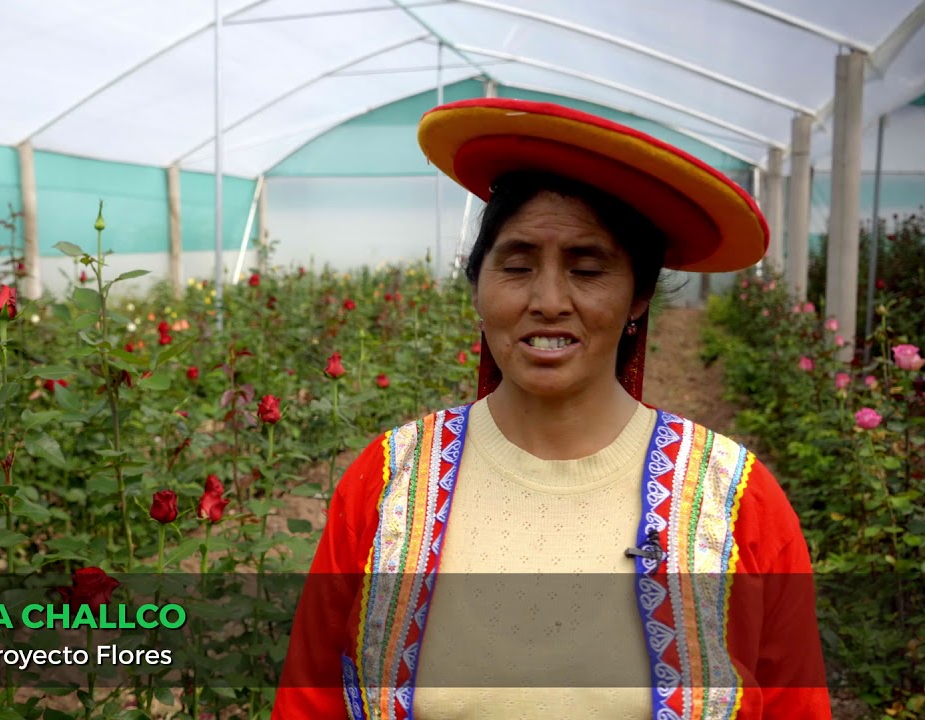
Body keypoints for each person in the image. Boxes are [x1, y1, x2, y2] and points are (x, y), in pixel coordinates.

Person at [272, 98, 832, 720]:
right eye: (515, 266)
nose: (547, 300)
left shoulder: (736, 503)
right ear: (477, 283)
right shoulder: (389, 484)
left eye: (587, 268)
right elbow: (308, 698)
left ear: (638, 296)